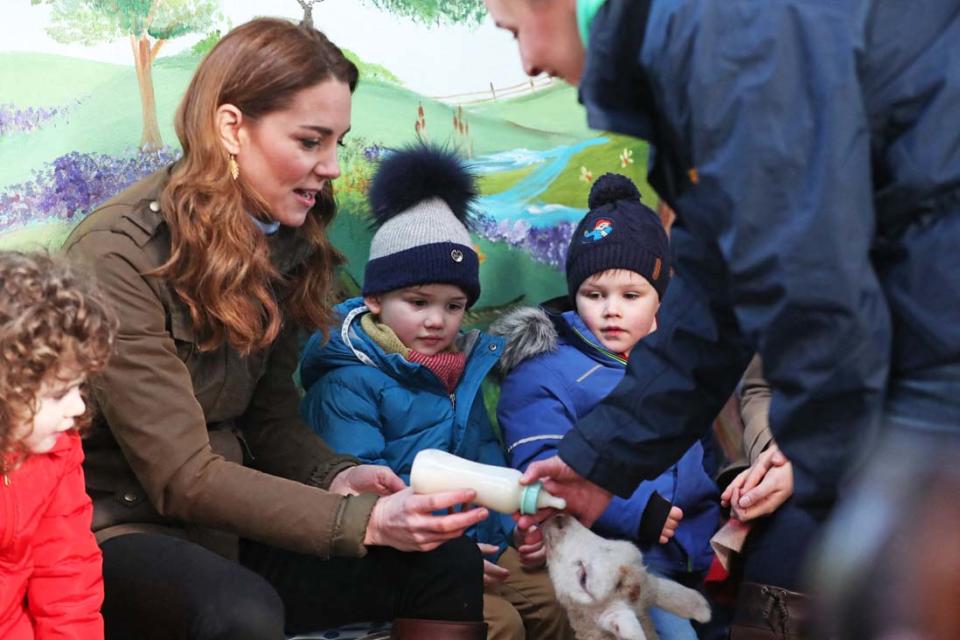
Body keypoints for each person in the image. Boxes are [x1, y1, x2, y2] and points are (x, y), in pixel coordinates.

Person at [485, 0, 960, 637]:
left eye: (515, 29)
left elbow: (808, 275)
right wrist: (600, 457)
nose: (529, 61)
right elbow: (716, 293)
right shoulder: (698, 48)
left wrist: (833, 480)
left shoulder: (723, 33)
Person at [63, 18, 488, 640]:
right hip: (122, 529)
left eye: (338, 141)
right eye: (311, 141)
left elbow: (267, 420)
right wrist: (362, 522)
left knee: (442, 560)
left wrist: (336, 476)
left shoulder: (287, 240)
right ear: (232, 128)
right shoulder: (117, 252)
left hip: (234, 526)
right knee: (240, 611)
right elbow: (181, 476)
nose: (332, 167)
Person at [300, 144, 574, 640]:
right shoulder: (348, 382)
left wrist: (521, 526)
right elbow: (367, 495)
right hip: (397, 554)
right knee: (502, 623)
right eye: (418, 301)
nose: (436, 320)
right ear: (375, 300)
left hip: (474, 539)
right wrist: (456, 553)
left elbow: (488, 468)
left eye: (453, 306)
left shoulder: (462, 373)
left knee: (555, 599)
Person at [493, 173, 720, 639]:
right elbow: (542, 466)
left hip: (696, 544)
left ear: (660, 299)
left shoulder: (678, 362)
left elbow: (703, 445)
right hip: (613, 554)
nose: (611, 309)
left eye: (631, 296)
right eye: (594, 295)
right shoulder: (545, 369)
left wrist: (722, 501)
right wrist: (638, 510)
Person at [0, 251, 115, 640]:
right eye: (59, 392)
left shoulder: (56, 447)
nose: (79, 407)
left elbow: (67, 572)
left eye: (80, 387)